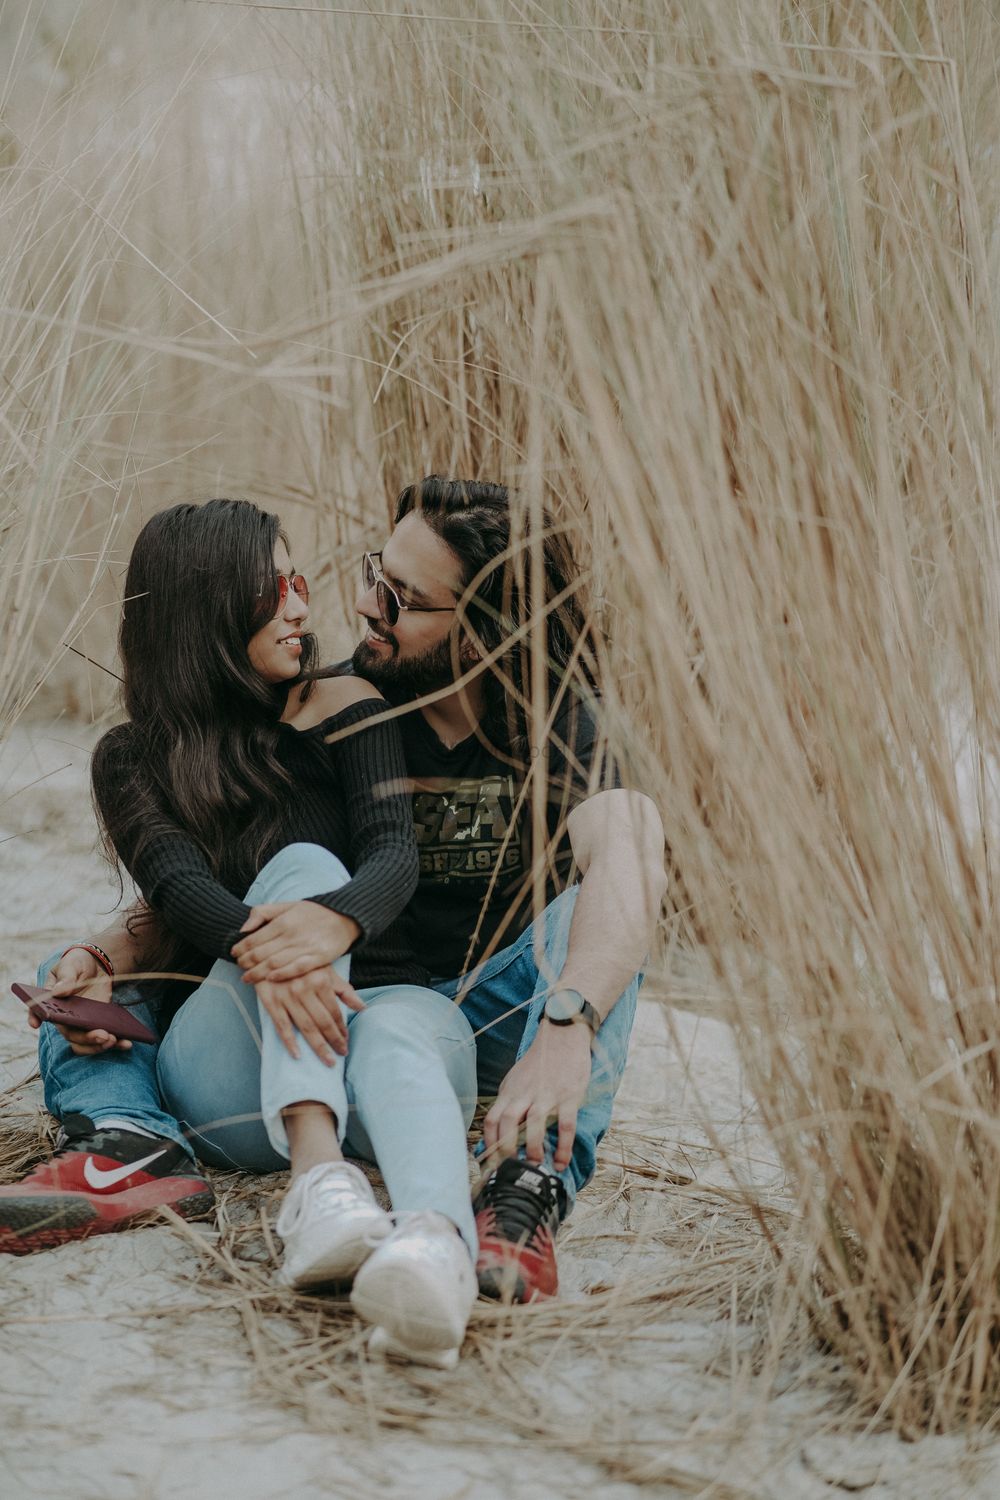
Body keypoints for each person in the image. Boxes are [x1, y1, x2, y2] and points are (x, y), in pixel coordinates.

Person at [1, 498, 480, 1369]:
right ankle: (315, 1179)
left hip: (382, 1015)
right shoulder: (134, 757)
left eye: (299, 583)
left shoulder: (349, 701)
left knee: (397, 1025)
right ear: (208, 608)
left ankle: (435, 1262)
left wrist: (327, 929)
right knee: (295, 870)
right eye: (275, 589)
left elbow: (392, 859)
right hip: (237, 1081)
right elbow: (183, 892)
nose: (302, 605)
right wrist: (285, 948)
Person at [241, 475, 668, 1303]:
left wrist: (568, 1023)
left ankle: (526, 1191)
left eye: (401, 597)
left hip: (503, 1006)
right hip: (369, 1015)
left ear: (481, 632)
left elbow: (628, 852)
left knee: (612, 895)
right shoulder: (339, 705)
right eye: (375, 574)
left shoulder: (555, 718)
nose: (368, 606)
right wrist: (116, 946)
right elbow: (227, 850)